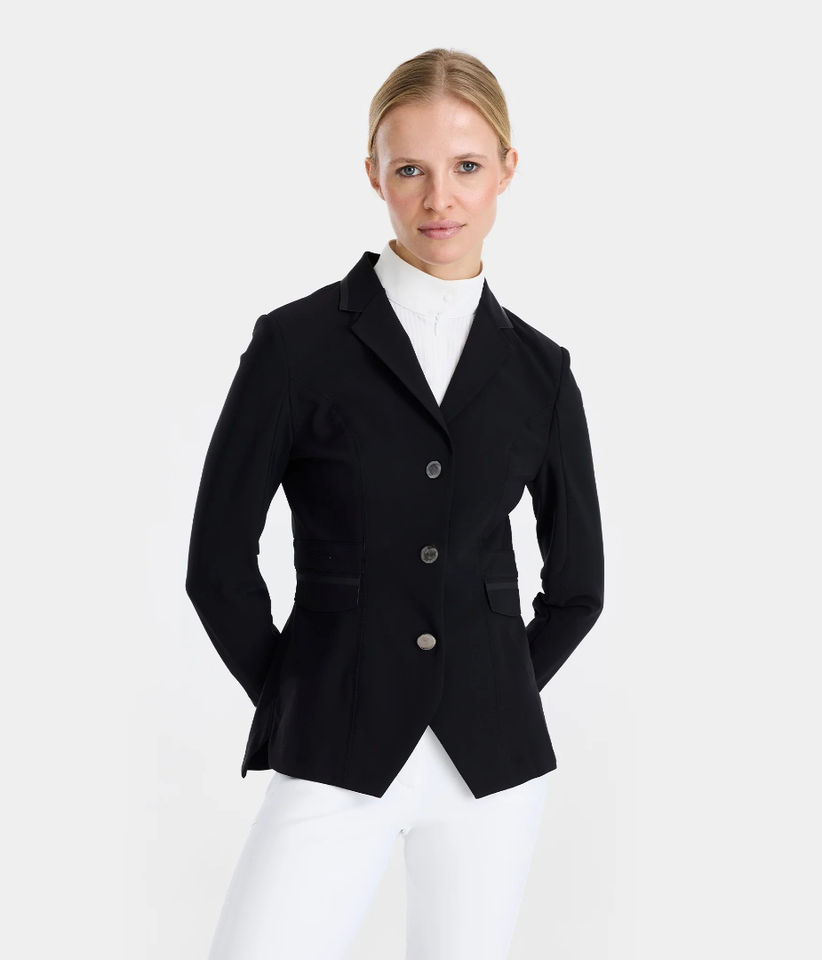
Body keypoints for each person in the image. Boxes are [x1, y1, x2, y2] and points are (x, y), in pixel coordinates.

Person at [185, 47, 605, 960]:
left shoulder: (541, 371)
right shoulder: (295, 345)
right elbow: (216, 566)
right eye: (410, 169)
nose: (439, 199)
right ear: (373, 174)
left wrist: (488, 689)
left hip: (490, 770)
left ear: (507, 171)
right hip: (335, 744)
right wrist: (306, 695)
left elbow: (579, 588)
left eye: (466, 166)